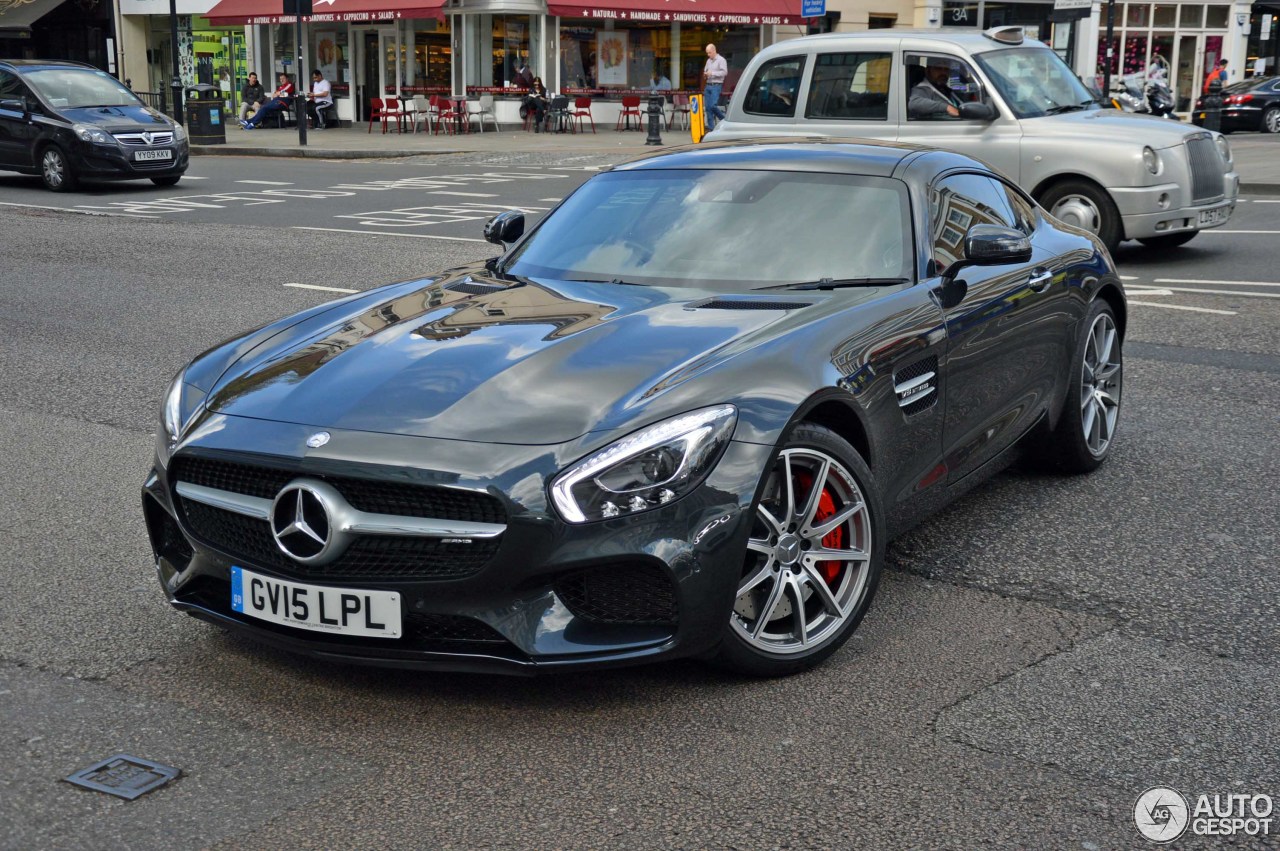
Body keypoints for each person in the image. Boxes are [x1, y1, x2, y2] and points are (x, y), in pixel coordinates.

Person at [702, 43, 727, 130]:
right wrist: (705, 74)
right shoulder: (708, 61)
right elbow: (706, 71)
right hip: (708, 85)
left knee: (713, 106)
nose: (708, 55)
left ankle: (724, 118)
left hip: (716, 85)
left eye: (709, 53)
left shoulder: (721, 60)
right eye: (707, 53)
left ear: (714, 51)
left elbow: (724, 72)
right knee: (708, 108)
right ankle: (711, 129)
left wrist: (712, 73)